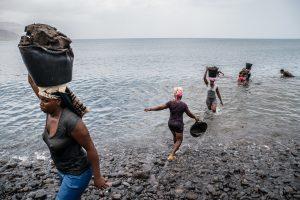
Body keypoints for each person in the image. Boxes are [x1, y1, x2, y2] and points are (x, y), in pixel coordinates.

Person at [28, 75, 110, 200]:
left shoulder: (72, 122)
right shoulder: (50, 111)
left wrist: (97, 177)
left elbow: (90, 149)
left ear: (58, 102)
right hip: (62, 170)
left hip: (78, 173)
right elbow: (33, 82)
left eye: (45, 101)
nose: (41, 104)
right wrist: (31, 59)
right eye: (41, 99)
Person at [144, 87, 199, 161]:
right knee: (179, 140)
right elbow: (189, 114)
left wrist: (150, 109)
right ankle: (172, 154)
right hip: (178, 124)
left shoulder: (170, 103)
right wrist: (195, 117)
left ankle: (174, 151)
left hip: (170, 123)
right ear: (181, 96)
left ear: (174, 95)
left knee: (175, 136)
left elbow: (160, 107)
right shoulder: (184, 105)